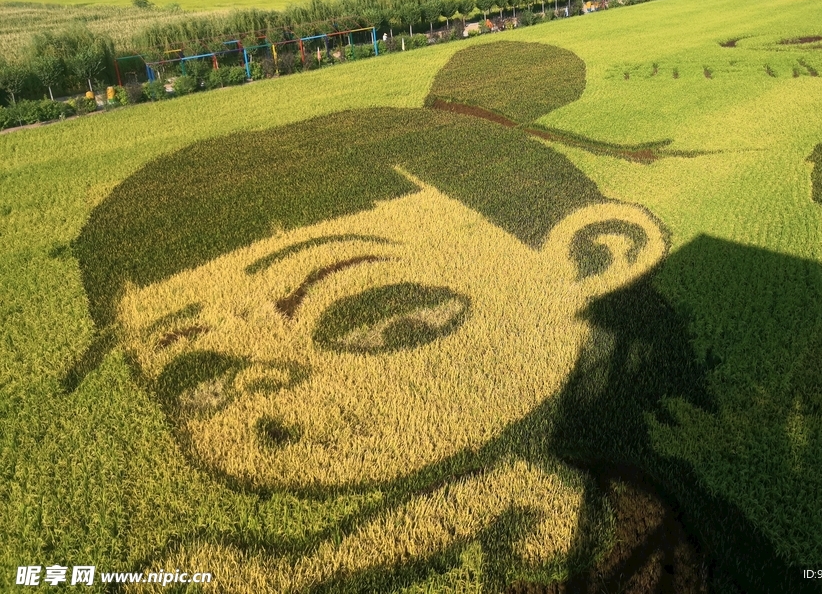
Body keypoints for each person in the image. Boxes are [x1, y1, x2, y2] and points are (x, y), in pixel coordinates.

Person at [71, 44, 670, 591]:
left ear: (599, 253)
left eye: (377, 319)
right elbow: (504, 488)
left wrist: (296, 571)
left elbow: (527, 494)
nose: (274, 406)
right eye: (201, 377)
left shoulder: (629, 524)